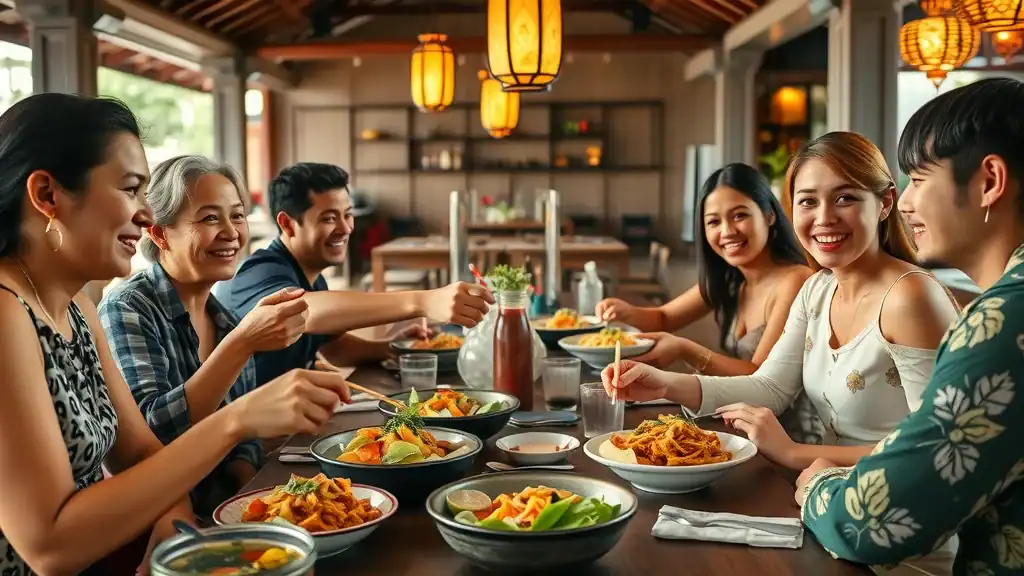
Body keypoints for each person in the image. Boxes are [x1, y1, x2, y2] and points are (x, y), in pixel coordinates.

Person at [0, 94, 351, 576]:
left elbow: (140, 451)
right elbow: (49, 547)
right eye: (129, 190)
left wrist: (173, 515)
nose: (146, 217)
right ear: (47, 195)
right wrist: (238, 419)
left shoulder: (76, 304)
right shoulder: (7, 312)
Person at [794, 78, 1024, 575]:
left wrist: (816, 486)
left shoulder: (1006, 320)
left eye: (919, 180)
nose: (906, 204)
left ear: (989, 181)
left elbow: (876, 520)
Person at [99, 155, 310, 516]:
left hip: (223, 510)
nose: (231, 232)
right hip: (156, 520)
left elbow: (244, 438)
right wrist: (242, 344)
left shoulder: (222, 317)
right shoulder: (128, 307)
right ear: (159, 233)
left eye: (238, 215)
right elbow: (151, 438)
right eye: (211, 217)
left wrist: (247, 494)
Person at [215, 162, 493, 386]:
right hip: (246, 440)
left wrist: (393, 348)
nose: (345, 228)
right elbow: (304, 311)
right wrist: (424, 301)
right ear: (288, 224)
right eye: (328, 218)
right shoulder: (257, 272)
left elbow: (335, 348)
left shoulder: (311, 274)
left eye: (347, 215)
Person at [595, 163, 819, 442]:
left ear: (770, 215)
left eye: (739, 216)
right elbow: (665, 317)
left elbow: (760, 375)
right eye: (713, 221)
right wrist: (626, 311)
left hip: (788, 439)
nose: (727, 231)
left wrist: (685, 349)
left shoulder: (797, 281)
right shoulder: (730, 278)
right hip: (739, 427)